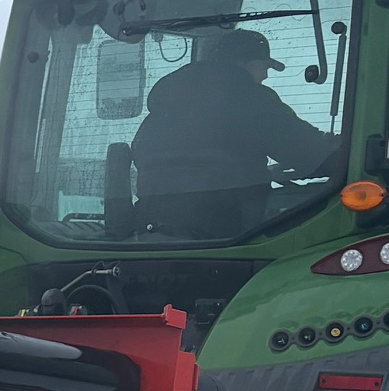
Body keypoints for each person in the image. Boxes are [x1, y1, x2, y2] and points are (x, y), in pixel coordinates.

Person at [125, 25, 338, 239]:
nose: (265, 76)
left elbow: (191, 165)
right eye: (263, 67)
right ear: (245, 64)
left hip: (152, 229)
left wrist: (256, 173)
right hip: (229, 231)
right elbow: (309, 153)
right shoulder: (250, 99)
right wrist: (341, 150)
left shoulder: (163, 111)